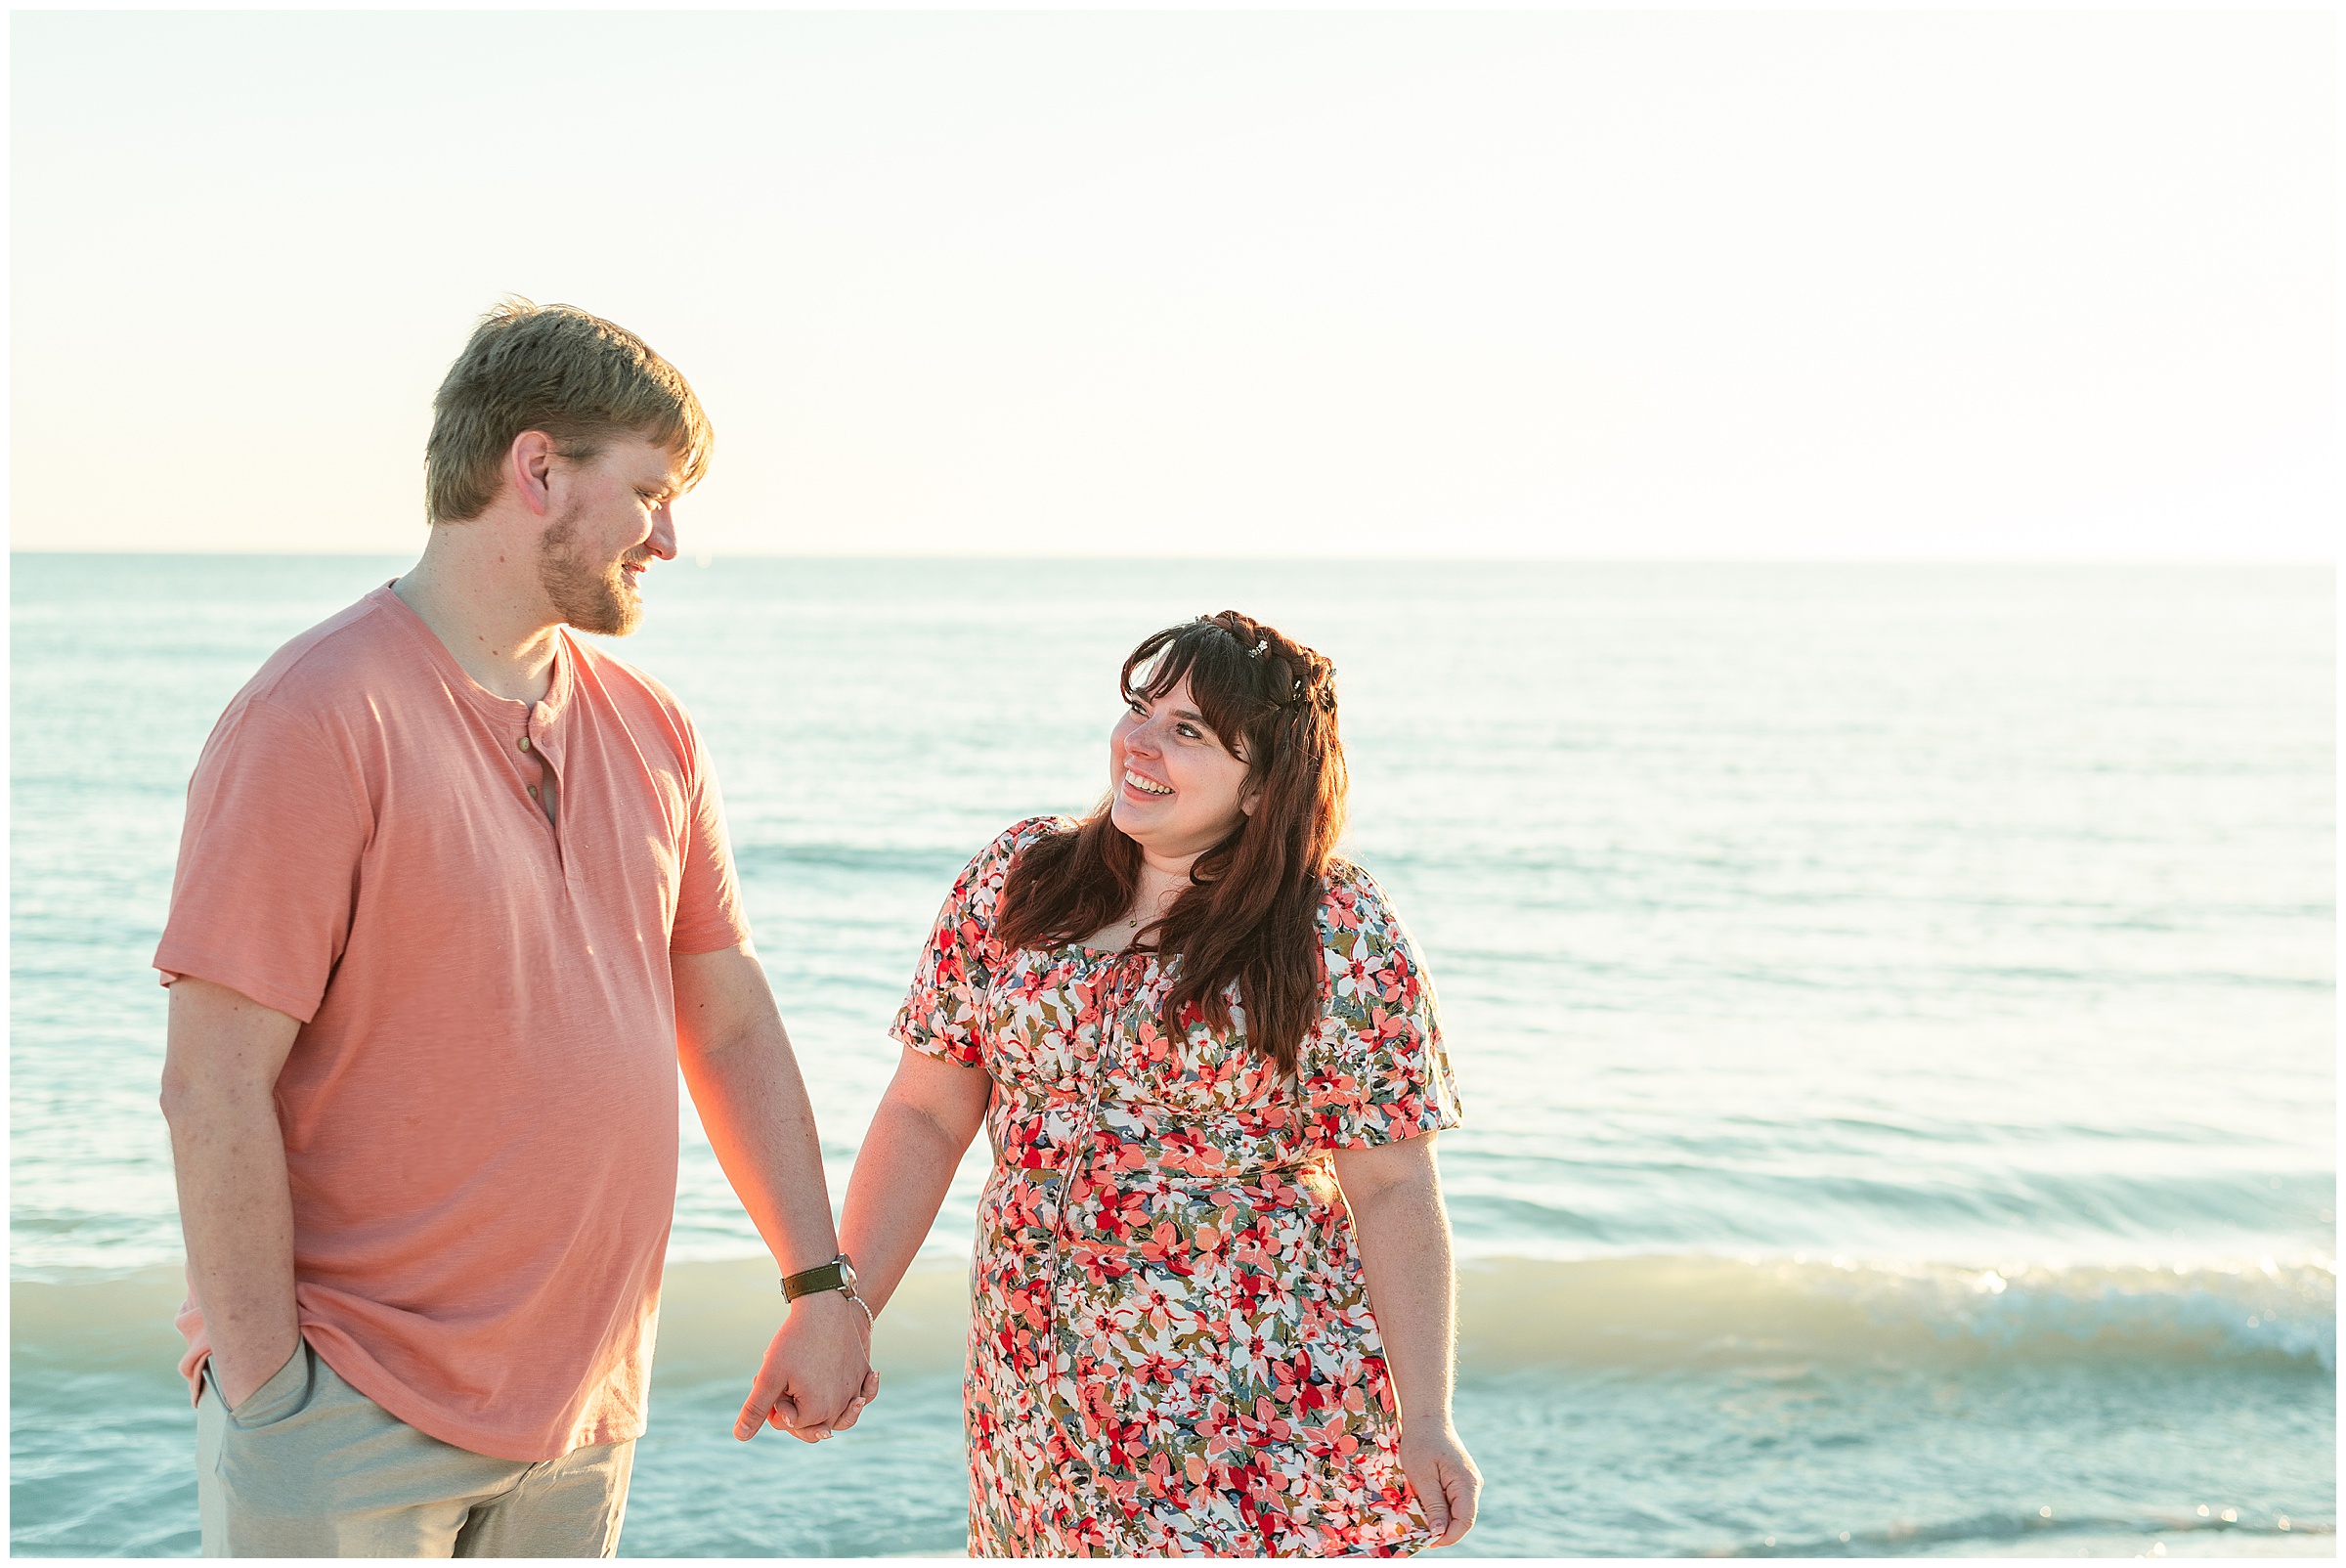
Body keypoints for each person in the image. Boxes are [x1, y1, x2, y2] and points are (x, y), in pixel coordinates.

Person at [154, 299, 874, 1558]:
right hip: (348, 1415)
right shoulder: (315, 715)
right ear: (535, 467)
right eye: (649, 492)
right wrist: (272, 1397)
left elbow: (729, 1010)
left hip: (583, 1416)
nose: (669, 538)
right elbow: (211, 1079)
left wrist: (820, 1282)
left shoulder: (654, 725)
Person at [837, 611, 1481, 1556]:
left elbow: (1390, 1185)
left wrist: (1427, 1416)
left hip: (1254, 1401)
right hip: (1037, 1394)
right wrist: (846, 1311)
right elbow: (926, 1113)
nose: (1140, 742)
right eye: (1140, 708)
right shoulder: (1019, 881)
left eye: (1188, 730)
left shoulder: (1333, 927)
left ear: (1264, 784)